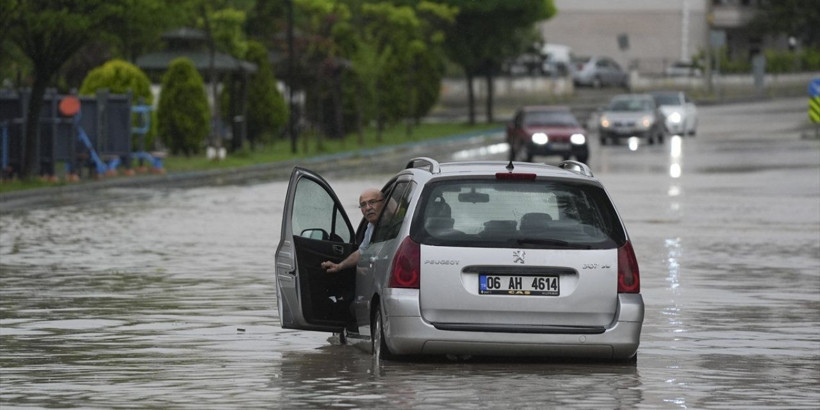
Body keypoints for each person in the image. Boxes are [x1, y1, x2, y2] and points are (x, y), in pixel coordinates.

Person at [321, 188, 384, 273]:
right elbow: (361, 252)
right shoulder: (371, 226)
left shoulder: (396, 224)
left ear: (384, 203)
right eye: (363, 205)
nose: (368, 208)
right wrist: (339, 266)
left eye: (372, 202)